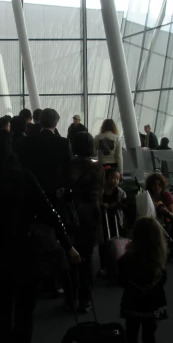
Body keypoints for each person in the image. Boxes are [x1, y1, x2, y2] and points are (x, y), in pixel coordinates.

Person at [0, 131, 80, 343]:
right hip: (24, 253)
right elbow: (50, 211)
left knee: (1, 314)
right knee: (24, 314)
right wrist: (67, 244)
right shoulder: (23, 177)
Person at [117, 217, 168, 343]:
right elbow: (162, 281)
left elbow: (121, 281)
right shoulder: (159, 261)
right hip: (152, 305)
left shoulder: (126, 260)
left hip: (131, 303)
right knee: (149, 336)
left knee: (131, 333)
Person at [62, 132, 103, 313]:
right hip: (91, 215)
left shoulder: (68, 166)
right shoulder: (98, 168)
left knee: (70, 257)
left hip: (72, 215)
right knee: (87, 258)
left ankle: (70, 298)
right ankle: (85, 299)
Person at [19, 108, 72, 204]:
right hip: (55, 191)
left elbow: (23, 164)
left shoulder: (27, 141)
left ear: (40, 122)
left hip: (33, 189)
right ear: (56, 124)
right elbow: (67, 168)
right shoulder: (63, 143)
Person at [145, 173, 173, 244]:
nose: (157, 187)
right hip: (149, 223)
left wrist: (166, 212)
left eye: (159, 185)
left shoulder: (166, 196)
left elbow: (172, 216)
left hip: (164, 223)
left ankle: (170, 244)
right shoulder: (146, 196)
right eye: (154, 185)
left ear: (162, 186)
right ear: (150, 186)